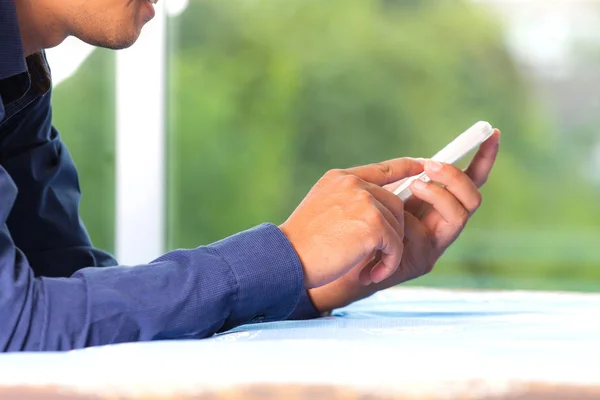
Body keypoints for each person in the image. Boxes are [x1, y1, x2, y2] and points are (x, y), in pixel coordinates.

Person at [0, 0, 500, 352]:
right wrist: (287, 253)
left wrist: (315, 283)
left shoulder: (18, 79)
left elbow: (69, 295)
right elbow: (16, 323)